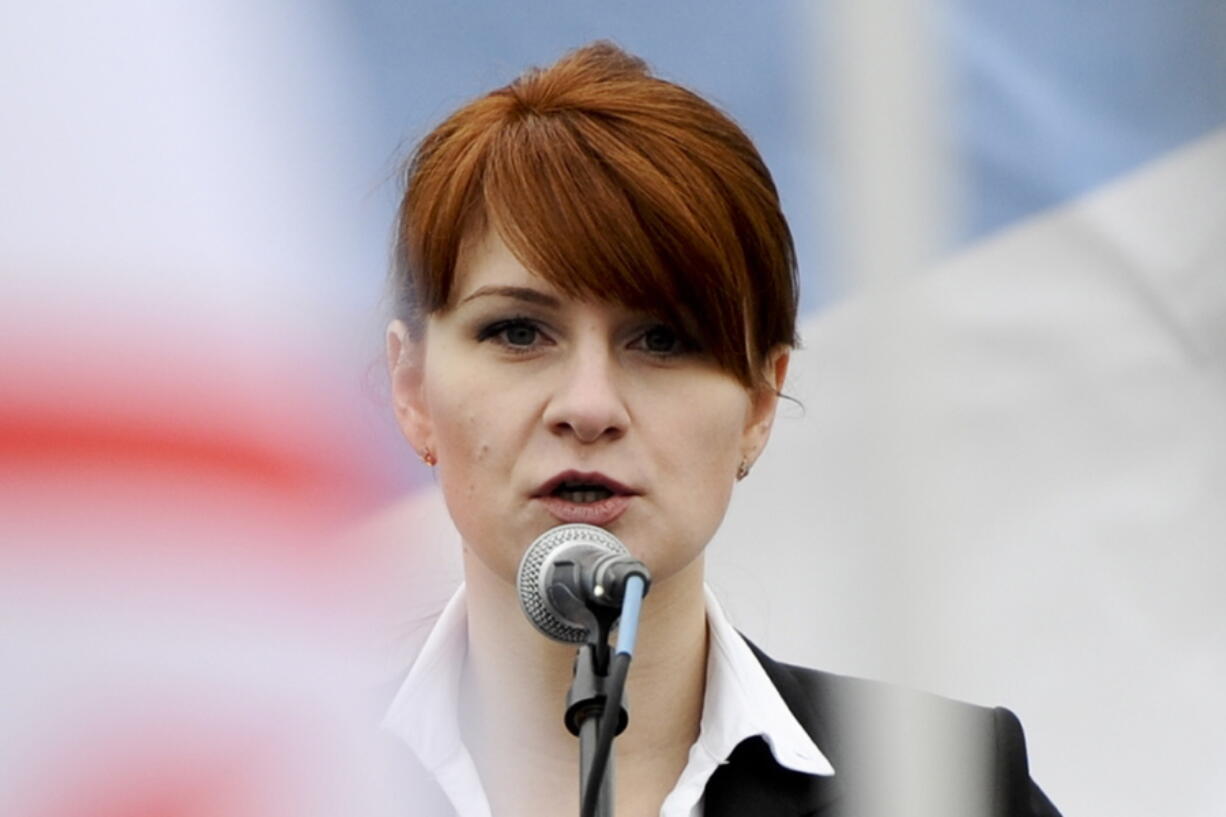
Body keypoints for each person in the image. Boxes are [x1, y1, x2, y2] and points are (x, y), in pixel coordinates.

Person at [380, 41, 1061, 817]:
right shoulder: (266, 779)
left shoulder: (942, 785)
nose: (590, 405)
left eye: (663, 339)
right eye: (518, 332)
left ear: (759, 404)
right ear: (413, 389)